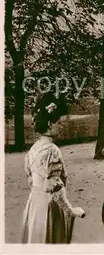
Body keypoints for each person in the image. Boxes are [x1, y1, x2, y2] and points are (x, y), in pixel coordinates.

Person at [21, 93, 85, 243]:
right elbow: (55, 188)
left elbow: (31, 181)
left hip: (34, 205)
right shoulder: (52, 150)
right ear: (50, 124)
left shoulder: (34, 149)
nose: (61, 126)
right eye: (59, 123)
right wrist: (71, 211)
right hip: (49, 207)